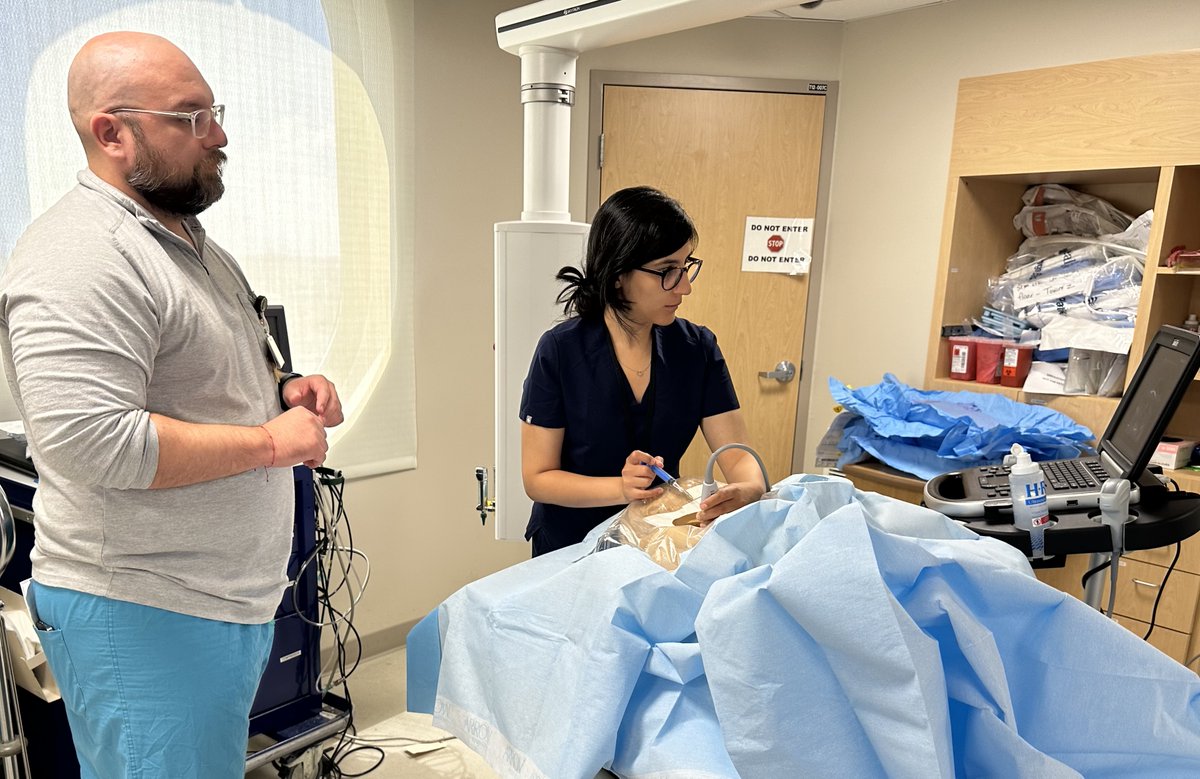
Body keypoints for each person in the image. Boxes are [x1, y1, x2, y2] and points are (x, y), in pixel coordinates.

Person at [0, 32, 343, 777]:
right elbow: (92, 441)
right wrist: (270, 441)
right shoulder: (80, 254)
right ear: (111, 132)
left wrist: (283, 389)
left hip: (212, 602)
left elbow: (198, 375)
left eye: (213, 112)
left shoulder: (192, 245)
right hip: (145, 610)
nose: (218, 135)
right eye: (190, 117)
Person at [520, 186, 766, 556]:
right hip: (569, 546)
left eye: (686, 267)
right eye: (667, 271)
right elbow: (538, 479)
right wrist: (620, 489)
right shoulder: (560, 351)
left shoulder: (696, 349)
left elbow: (737, 456)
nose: (683, 287)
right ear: (618, 273)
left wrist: (749, 488)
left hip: (657, 540)